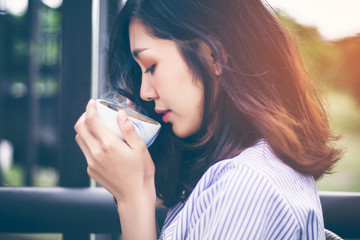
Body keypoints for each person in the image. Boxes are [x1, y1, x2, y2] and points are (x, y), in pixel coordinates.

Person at [74, 0, 342, 239]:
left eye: (151, 66)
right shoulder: (234, 172)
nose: (145, 91)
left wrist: (133, 199)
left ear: (214, 54)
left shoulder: (246, 188)